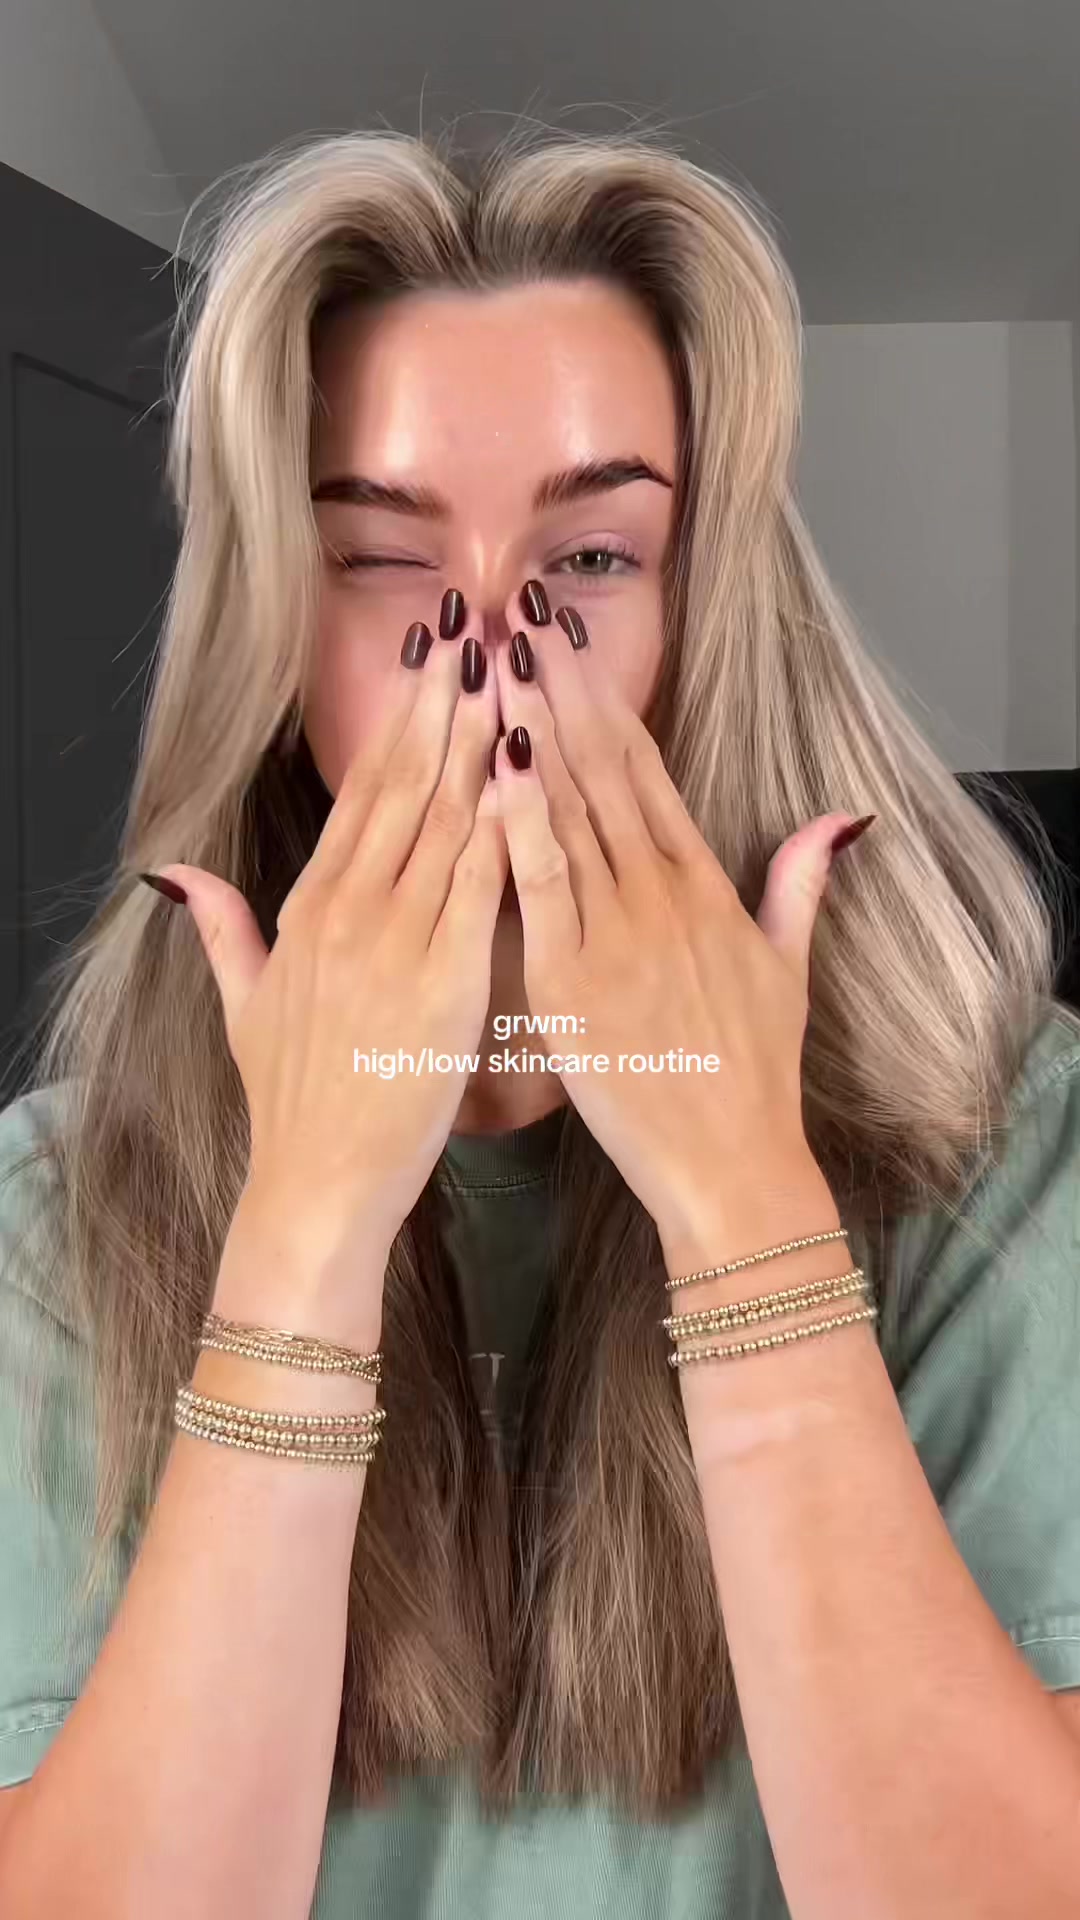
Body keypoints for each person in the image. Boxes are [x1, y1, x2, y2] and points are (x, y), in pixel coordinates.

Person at [1, 123, 1079, 1920]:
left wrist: (740, 1198)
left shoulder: (1013, 1143)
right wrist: (308, 1228)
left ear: (708, 604)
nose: (495, 654)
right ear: (272, 625)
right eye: (380, 559)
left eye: (588, 558)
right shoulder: (47, 1223)